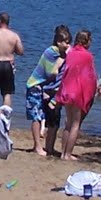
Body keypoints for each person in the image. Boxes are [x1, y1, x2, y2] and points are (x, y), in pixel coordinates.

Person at [25, 26, 70, 157]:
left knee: (46, 116)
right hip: (35, 85)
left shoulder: (61, 53)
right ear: (58, 42)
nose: (67, 45)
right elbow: (51, 72)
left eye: (68, 42)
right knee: (36, 116)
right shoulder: (51, 52)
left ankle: (47, 147)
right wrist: (60, 62)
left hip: (44, 87)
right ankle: (37, 147)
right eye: (65, 42)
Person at [56, 29, 97, 162]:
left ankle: (63, 153)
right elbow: (89, 77)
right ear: (87, 41)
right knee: (75, 123)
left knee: (68, 122)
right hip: (78, 92)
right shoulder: (88, 56)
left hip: (67, 90)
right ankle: (68, 154)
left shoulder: (71, 53)